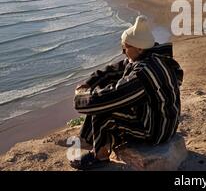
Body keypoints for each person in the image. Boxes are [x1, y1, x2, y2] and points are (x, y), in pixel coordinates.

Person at [70, 15, 183, 170]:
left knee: (103, 110)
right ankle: (94, 141)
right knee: (111, 92)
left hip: (157, 130)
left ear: (139, 48)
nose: (123, 51)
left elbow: (112, 96)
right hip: (165, 119)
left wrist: (82, 97)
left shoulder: (143, 73)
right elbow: (113, 70)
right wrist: (89, 84)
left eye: (125, 47)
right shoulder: (153, 56)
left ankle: (100, 156)